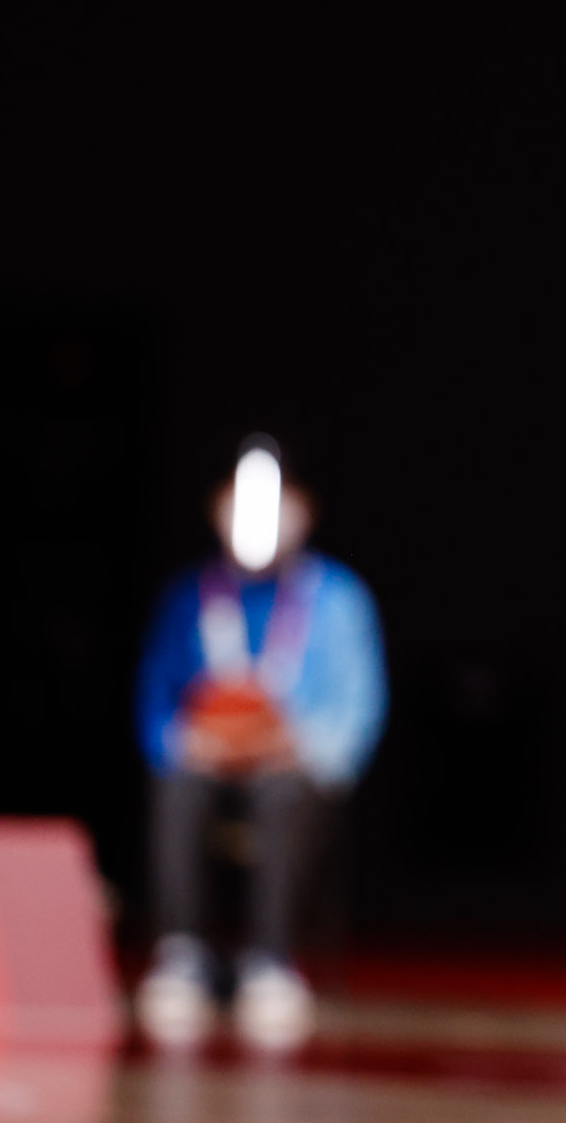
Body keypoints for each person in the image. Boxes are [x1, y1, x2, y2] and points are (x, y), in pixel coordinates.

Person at [133, 438, 388, 1052]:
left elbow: (356, 708)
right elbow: (156, 703)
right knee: (176, 786)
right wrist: (189, 742)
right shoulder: (189, 597)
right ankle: (182, 955)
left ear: (303, 508)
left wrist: (299, 746)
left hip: (292, 769)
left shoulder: (338, 598)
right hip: (211, 766)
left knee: (283, 795)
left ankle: (271, 961)